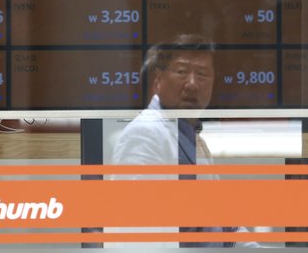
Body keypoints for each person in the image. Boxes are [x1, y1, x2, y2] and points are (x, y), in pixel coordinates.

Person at [111, 34, 259, 248]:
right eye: (182, 72)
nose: (192, 84)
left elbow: (225, 224)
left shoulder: (193, 138)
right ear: (158, 81)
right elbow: (141, 236)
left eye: (202, 74)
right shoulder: (145, 134)